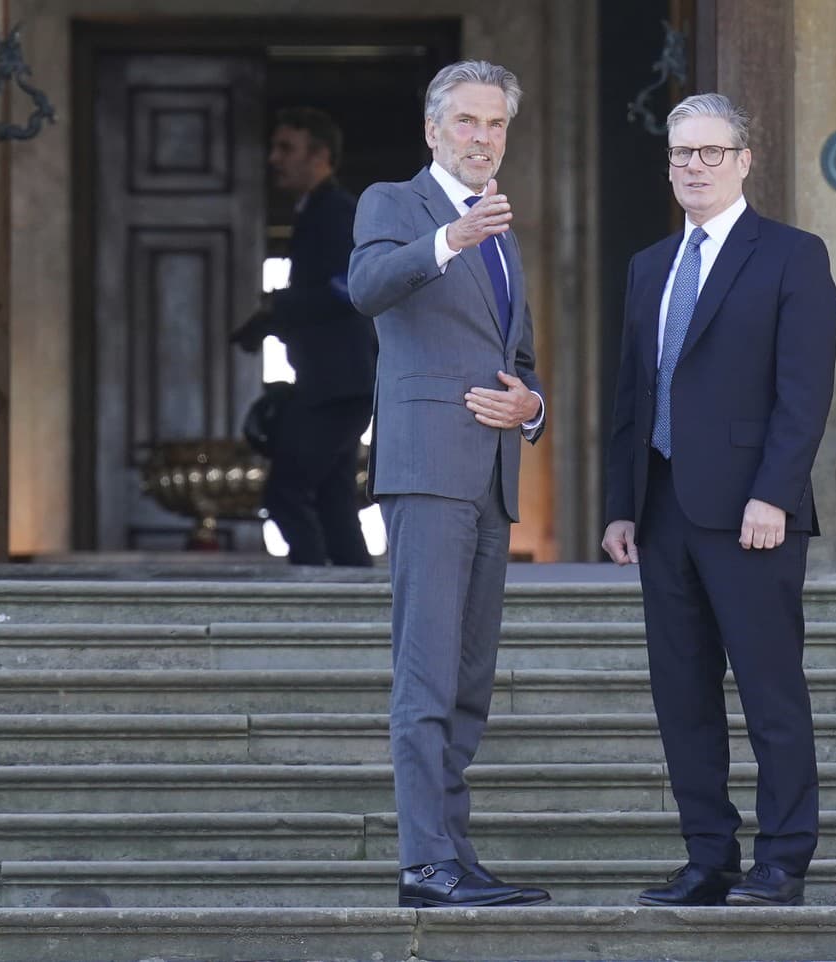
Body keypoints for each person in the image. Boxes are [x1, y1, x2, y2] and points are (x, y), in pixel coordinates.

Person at [602, 93, 836, 907]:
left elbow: (803, 394)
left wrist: (773, 493)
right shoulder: (648, 266)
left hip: (752, 515)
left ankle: (783, 861)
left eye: (709, 153)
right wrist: (619, 504)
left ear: (744, 161)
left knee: (771, 693)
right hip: (662, 508)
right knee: (682, 696)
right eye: (681, 156)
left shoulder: (792, 255)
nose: (693, 168)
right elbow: (632, 395)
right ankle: (709, 856)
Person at [346, 61, 549, 909]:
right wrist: (450, 240)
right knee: (425, 678)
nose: (482, 138)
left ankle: (454, 855)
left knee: (468, 682)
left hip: (493, 477)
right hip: (427, 470)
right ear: (434, 131)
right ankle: (424, 865)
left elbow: (520, 360)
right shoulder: (395, 204)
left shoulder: (501, 229)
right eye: (466, 122)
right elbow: (366, 288)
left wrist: (532, 409)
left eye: (495, 125)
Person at [231, 107, 376, 567]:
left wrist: (278, 308)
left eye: (286, 148)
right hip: (335, 383)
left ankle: (310, 602)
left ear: (320, 156)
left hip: (336, 385)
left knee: (287, 493)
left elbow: (351, 285)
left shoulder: (336, 212)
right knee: (333, 502)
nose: (274, 159)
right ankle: (357, 612)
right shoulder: (317, 210)